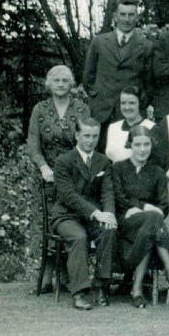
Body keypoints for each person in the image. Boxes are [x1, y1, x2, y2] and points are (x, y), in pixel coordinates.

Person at [50, 116, 118, 310]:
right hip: (66, 215)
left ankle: (101, 285)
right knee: (79, 237)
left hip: (92, 216)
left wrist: (110, 215)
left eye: (95, 136)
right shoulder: (63, 161)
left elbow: (107, 192)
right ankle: (79, 292)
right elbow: (68, 195)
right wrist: (97, 213)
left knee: (109, 230)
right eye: (86, 136)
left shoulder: (103, 161)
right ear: (77, 135)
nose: (90, 140)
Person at [111, 126, 169, 308]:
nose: (142, 149)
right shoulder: (118, 168)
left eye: (146, 144)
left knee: (150, 225)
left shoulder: (157, 172)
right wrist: (143, 206)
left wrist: (145, 211)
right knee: (152, 219)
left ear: (152, 145)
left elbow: (164, 205)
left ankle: (137, 289)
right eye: (138, 144)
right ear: (130, 145)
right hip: (125, 220)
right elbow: (119, 197)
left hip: (148, 224)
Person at [83, 0, 152, 130]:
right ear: (115, 16)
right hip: (101, 113)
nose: (127, 19)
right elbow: (88, 78)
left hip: (131, 115)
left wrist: (137, 104)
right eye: (123, 14)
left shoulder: (146, 46)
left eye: (131, 15)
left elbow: (149, 84)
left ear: (137, 17)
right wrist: (98, 98)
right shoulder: (99, 42)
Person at [25, 66, 89, 184]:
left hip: (77, 174)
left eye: (65, 80)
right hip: (47, 175)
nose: (61, 84)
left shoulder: (82, 109)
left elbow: (88, 143)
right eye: (56, 80)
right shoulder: (39, 109)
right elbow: (33, 145)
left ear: (71, 84)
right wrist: (44, 168)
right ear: (49, 84)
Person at [103, 87, 155, 163]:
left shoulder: (151, 126)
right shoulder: (113, 127)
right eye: (123, 103)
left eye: (132, 103)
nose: (127, 107)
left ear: (140, 103)